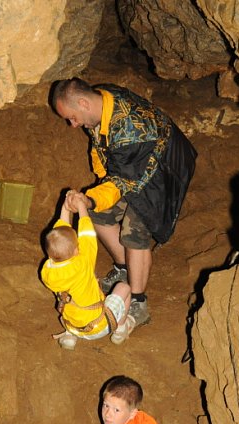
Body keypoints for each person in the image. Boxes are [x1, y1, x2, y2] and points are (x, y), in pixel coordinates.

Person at [50, 78, 197, 328]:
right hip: (135, 162)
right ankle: (124, 269)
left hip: (165, 166)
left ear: (83, 103)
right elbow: (100, 148)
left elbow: (122, 182)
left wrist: (92, 198)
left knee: (135, 231)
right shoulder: (99, 103)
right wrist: (99, 185)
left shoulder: (131, 132)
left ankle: (138, 303)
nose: (72, 125)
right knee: (98, 216)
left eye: (72, 117)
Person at [40, 194, 135, 350]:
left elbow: (59, 237)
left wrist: (66, 207)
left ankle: (70, 337)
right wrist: (82, 207)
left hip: (71, 324)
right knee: (124, 287)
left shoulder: (47, 270)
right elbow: (87, 233)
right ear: (77, 250)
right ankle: (120, 329)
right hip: (99, 325)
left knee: (71, 304)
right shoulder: (83, 263)